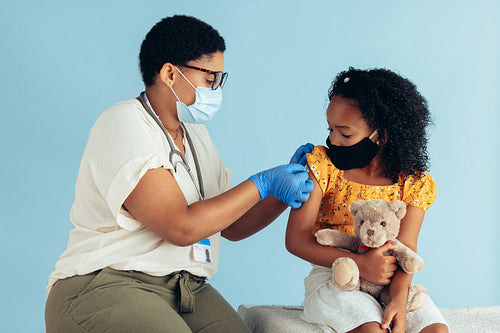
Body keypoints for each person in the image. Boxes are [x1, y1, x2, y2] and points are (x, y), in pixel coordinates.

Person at [45, 15, 314, 333]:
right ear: (170, 73)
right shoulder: (124, 123)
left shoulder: (195, 135)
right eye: (210, 77)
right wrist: (263, 183)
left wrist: (282, 191)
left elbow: (231, 224)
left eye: (219, 79)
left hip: (186, 288)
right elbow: (180, 226)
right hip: (106, 281)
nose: (215, 89)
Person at [285, 68, 449, 333]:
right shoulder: (322, 167)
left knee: (435, 330)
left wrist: (397, 298)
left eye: (345, 134)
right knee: (372, 329)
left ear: (381, 136)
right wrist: (361, 264)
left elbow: (405, 249)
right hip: (334, 276)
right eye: (330, 129)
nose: (333, 140)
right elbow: (295, 240)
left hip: (390, 282)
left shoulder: (414, 183)